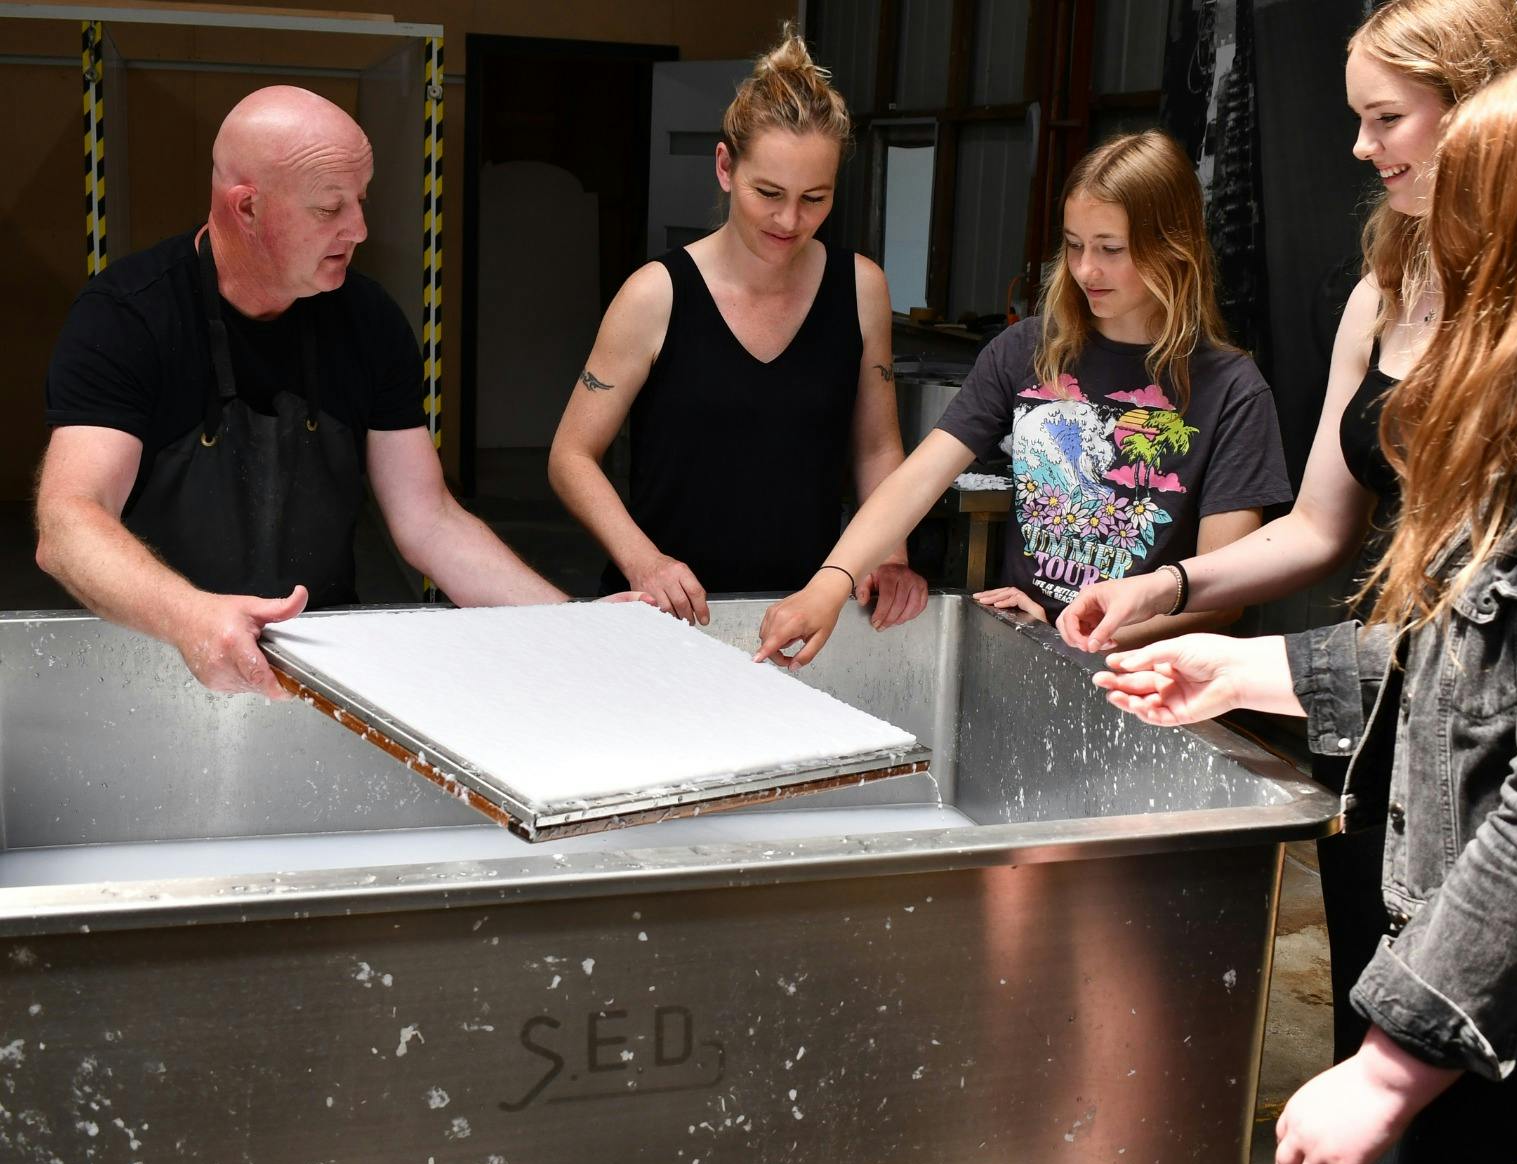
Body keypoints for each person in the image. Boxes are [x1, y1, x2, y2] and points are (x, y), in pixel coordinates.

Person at [1092, 38, 1517, 1164]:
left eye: (1480, 220)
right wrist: (1236, 664)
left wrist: (1390, 1062)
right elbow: (1459, 663)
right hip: (1429, 879)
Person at [35, 86, 607, 701]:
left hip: (320, 658)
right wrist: (193, 618)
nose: (358, 229)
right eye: (329, 209)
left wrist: (571, 627)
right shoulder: (128, 319)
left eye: (359, 201)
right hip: (156, 654)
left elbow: (429, 520)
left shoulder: (369, 322)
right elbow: (69, 523)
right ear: (246, 208)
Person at [755, 128, 1291, 669]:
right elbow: (916, 481)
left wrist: (1085, 635)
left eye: (1110, 249)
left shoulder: (1233, 391)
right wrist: (829, 581)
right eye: (1075, 245)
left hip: (1145, 681)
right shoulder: (1026, 349)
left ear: (1173, 248)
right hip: (1027, 649)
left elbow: (1222, 594)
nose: (1085, 270)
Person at [547, 26, 927, 631]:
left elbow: (876, 446)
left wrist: (889, 555)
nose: (789, 219)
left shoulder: (861, 288)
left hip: (804, 614)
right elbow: (571, 455)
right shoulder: (655, 293)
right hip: (665, 614)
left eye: (815, 198)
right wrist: (644, 563)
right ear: (725, 167)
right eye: (768, 192)